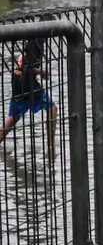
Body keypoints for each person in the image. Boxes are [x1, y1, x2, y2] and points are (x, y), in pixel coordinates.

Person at [0, 38, 58, 168]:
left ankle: (50, 147)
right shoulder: (36, 43)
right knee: (52, 108)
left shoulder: (33, 39)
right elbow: (27, 67)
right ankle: (50, 148)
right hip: (25, 83)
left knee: (13, 117)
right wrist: (41, 72)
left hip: (17, 80)